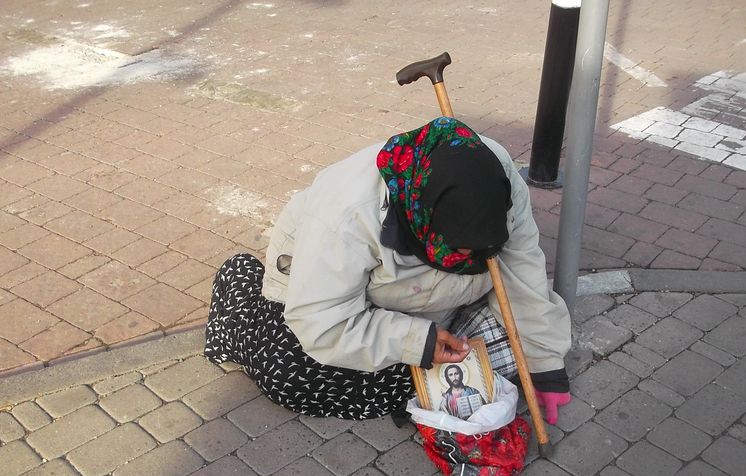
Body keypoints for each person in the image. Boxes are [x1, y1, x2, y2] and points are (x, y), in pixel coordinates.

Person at [204, 116, 572, 423]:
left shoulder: (499, 178)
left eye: (481, 249)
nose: (470, 257)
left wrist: (544, 363)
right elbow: (323, 322)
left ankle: (435, 347)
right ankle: (240, 281)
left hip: (431, 301)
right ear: (426, 220)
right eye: (458, 248)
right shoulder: (348, 212)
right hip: (335, 300)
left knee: (499, 362)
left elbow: (522, 272)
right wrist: (417, 341)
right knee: (290, 375)